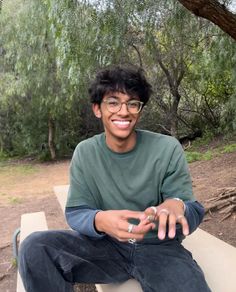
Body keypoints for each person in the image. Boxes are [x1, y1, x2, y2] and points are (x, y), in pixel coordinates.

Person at [19, 64, 211, 292]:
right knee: (35, 247)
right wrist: (100, 220)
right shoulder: (86, 152)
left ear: (140, 109)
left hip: (159, 249)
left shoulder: (167, 148)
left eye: (133, 103)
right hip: (105, 247)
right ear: (97, 109)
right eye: (113, 102)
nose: (124, 111)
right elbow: (76, 211)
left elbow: (189, 208)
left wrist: (175, 206)